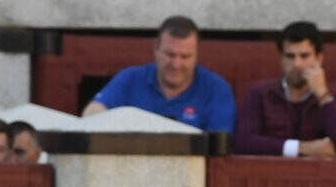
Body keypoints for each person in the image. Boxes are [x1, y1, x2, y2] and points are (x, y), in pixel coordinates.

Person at [81, 15, 236, 133]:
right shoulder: (130, 79)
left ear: (197, 54)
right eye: (170, 54)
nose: (176, 64)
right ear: (155, 49)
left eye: (185, 56)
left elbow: (219, 147)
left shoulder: (216, 89)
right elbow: (92, 114)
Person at [233, 21, 336, 158]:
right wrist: (301, 148)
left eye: (304, 56)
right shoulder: (260, 94)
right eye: (290, 56)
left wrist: (323, 96)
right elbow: (243, 142)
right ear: (281, 58)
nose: (297, 64)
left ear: (319, 58)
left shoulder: (335, 98)